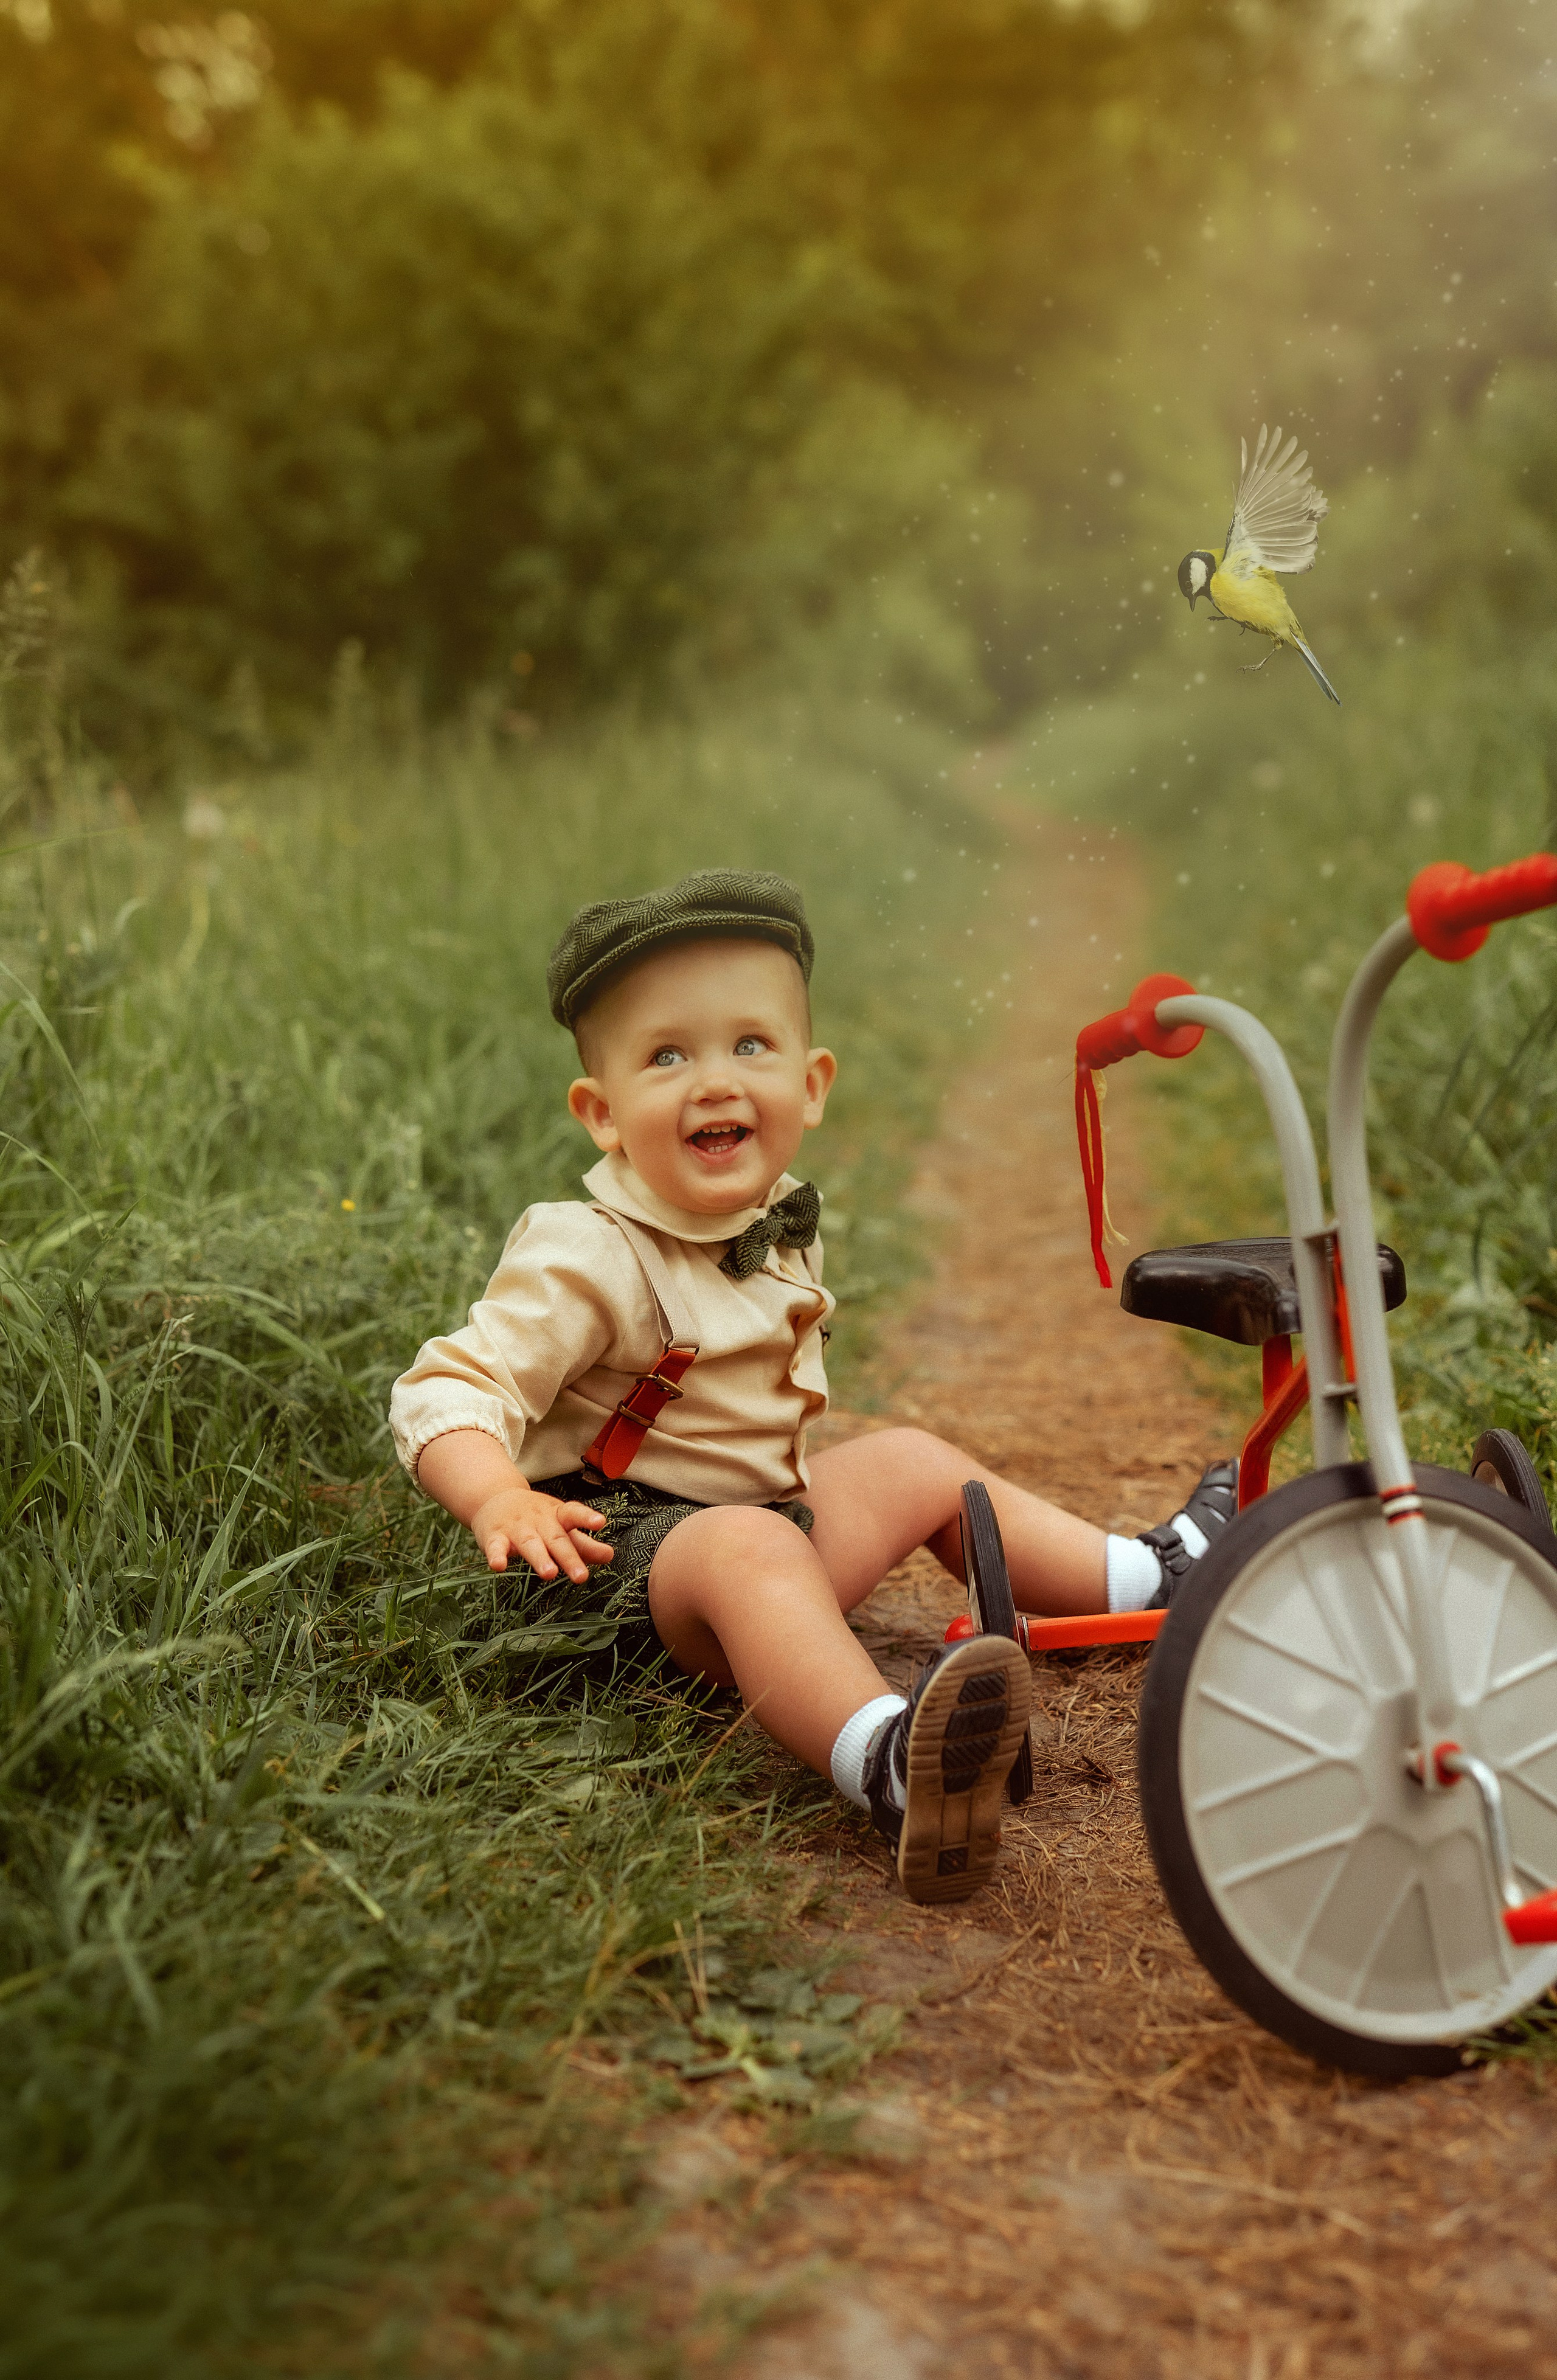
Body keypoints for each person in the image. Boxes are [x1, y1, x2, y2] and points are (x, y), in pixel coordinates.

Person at [390, 870, 1235, 1905]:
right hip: (609, 1574)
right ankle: (888, 1758)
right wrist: (498, 1496)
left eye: (751, 1045)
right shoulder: (587, 1253)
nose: (716, 1081)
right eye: (668, 1055)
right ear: (602, 1114)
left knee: (912, 1464)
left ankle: (1144, 1578)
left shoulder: (777, 1210)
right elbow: (447, 1386)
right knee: (749, 1547)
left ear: (814, 1083)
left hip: (757, 1537)